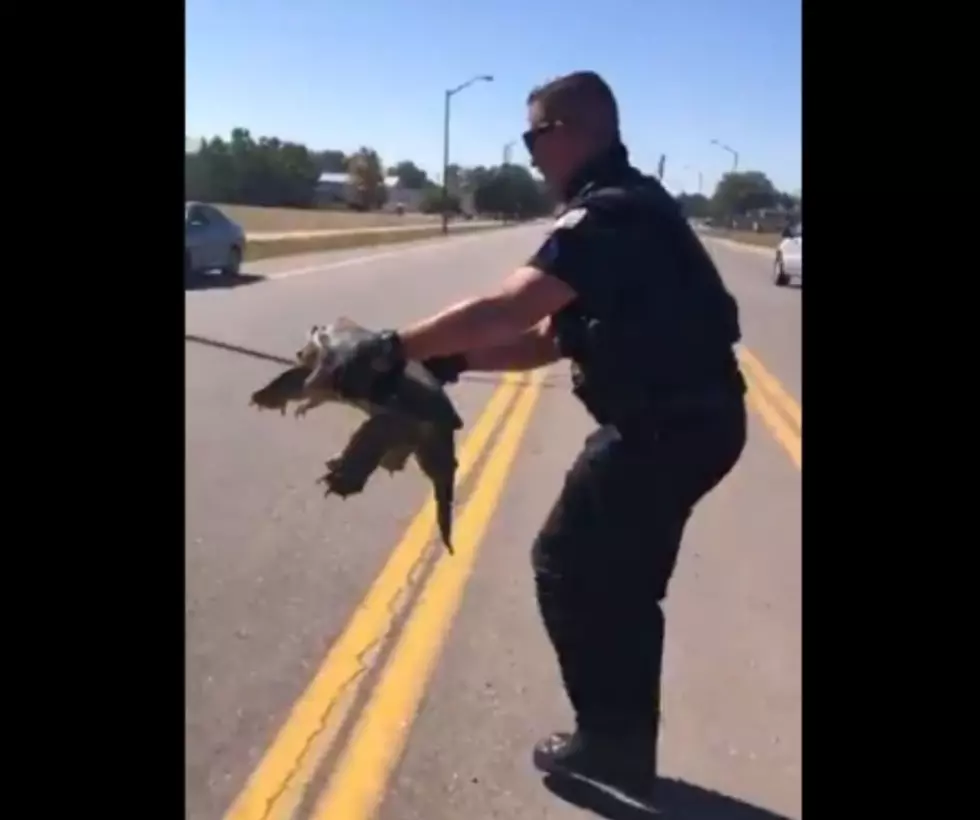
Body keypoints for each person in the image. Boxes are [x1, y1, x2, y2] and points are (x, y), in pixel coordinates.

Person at [320, 70, 748, 806]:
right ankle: (622, 742)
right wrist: (445, 359)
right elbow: (548, 338)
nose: (527, 157)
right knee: (617, 583)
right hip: (688, 425)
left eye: (532, 138)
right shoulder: (628, 209)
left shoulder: (609, 216)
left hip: (665, 430)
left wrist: (391, 347)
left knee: (566, 564)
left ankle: (609, 745)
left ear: (573, 132)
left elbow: (512, 305)